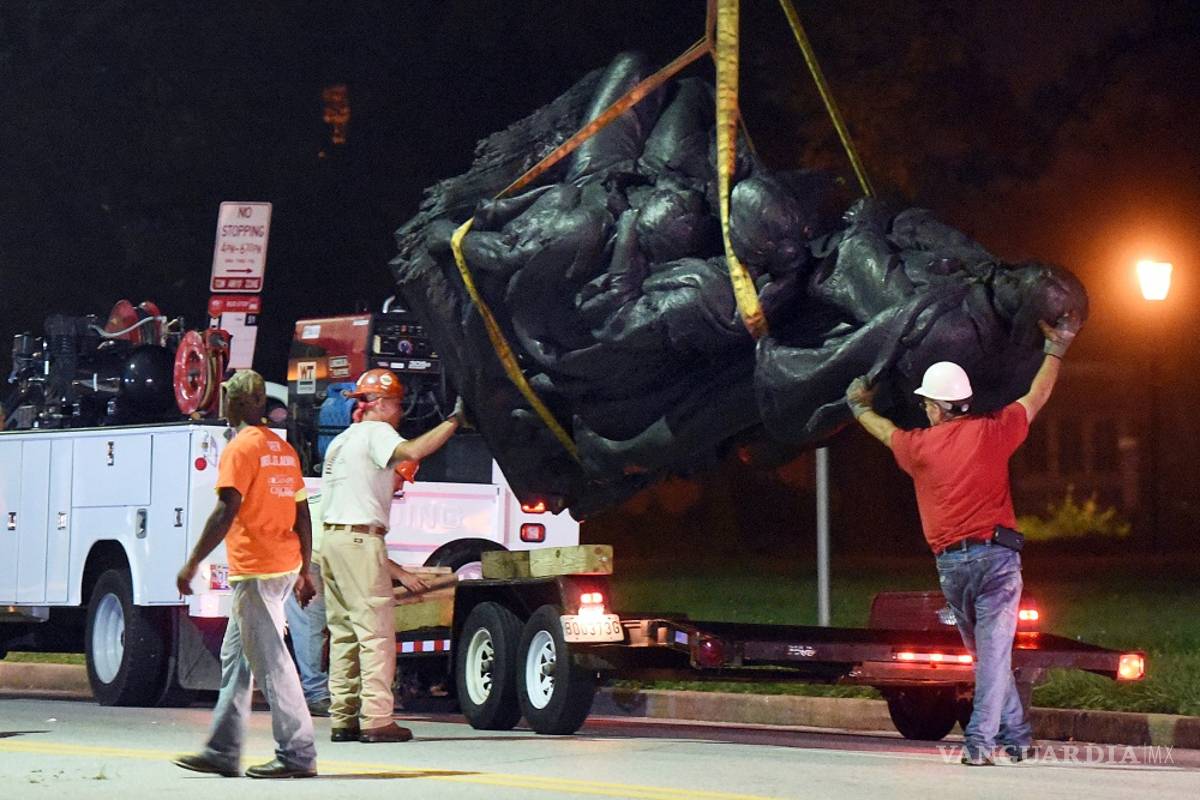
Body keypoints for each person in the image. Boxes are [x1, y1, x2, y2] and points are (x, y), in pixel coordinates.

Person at [845, 313, 1082, 766]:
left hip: (952, 568)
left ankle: (991, 740)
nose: (925, 411)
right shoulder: (994, 431)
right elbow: (1037, 395)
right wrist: (1056, 349)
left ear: (938, 407)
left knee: (988, 656)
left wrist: (859, 408)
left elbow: (885, 432)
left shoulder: (919, 448)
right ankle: (1003, 737)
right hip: (996, 561)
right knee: (992, 657)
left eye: (927, 405)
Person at [172, 369, 319, 779]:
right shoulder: (281, 449)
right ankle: (223, 749)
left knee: (272, 663)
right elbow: (303, 513)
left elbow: (226, 509)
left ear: (234, 402)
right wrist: (304, 569)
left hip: (257, 570)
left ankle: (297, 753)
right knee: (236, 660)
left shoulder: (240, 448)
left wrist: (193, 561)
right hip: (282, 565)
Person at [320, 368, 467, 743]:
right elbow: (413, 451)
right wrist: (454, 421)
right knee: (376, 635)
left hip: (333, 542)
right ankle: (376, 720)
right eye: (399, 404)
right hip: (359, 541)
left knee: (344, 635)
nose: (401, 412)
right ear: (382, 403)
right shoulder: (377, 432)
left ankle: (343, 718)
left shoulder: (342, 441)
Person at [283, 498, 332, 718]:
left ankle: (315, 692)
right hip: (309, 560)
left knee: (310, 627)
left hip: (307, 558)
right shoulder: (357, 499)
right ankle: (316, 694)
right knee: (310, 627)